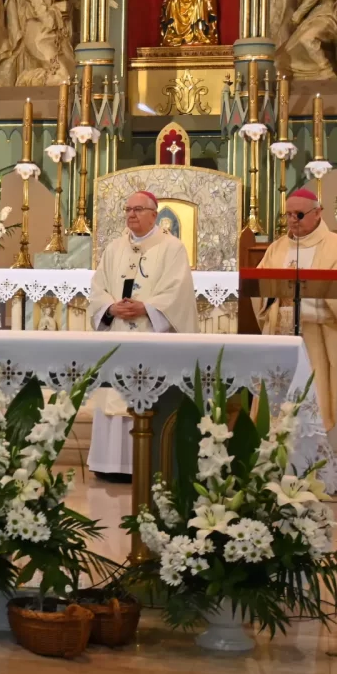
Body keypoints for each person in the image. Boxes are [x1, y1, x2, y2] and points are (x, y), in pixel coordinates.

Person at [254, 188, 337, 467]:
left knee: (314, 398)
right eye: (288, 215)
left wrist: (304, 306)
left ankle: (316, 467)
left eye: (299, 214)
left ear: (318, 213)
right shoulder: (278, 247)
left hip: (317, 338)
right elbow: (259, 289)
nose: (292, 221)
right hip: (279, 339)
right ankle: (272, 465)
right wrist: (274, 302)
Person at [86, 190, 198, 477]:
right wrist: (110, 307)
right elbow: (97, 289)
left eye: (138, 209)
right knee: (115, 395)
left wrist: (147, 308)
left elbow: (178, 292)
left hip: (152, 337)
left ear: (154, 214)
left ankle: (151, 464)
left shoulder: (172, 248)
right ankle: (112, 465)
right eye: (127, 209)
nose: (131, 215)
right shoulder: (114, 248)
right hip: (119, 334)